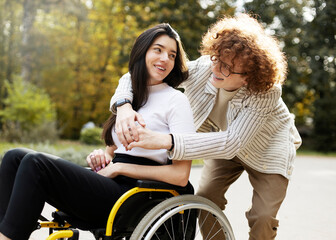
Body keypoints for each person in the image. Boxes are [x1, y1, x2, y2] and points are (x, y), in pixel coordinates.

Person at [0, 23, 195, 240]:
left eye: (172, 55)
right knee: (13, 157)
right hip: (110, 183)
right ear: (142, 51)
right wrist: (104, 156)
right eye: (158, 49)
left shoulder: (176, 101)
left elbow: (181, 176)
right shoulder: (128, 96)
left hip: (136, 196)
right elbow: (112, 151)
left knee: (36, 164)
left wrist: (120, 167)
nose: (165, 58)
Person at [109, 14, 302, 240]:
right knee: (205, 199)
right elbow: (137, 75)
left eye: (227, 68)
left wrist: (166, 140)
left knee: (263, 216)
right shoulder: (204, 68)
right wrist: (123, 106)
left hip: (267, 151)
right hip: (220, 144)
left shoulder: (266, 92)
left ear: (247, 78)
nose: (217, 69)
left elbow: (233, 142)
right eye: (217, 59)